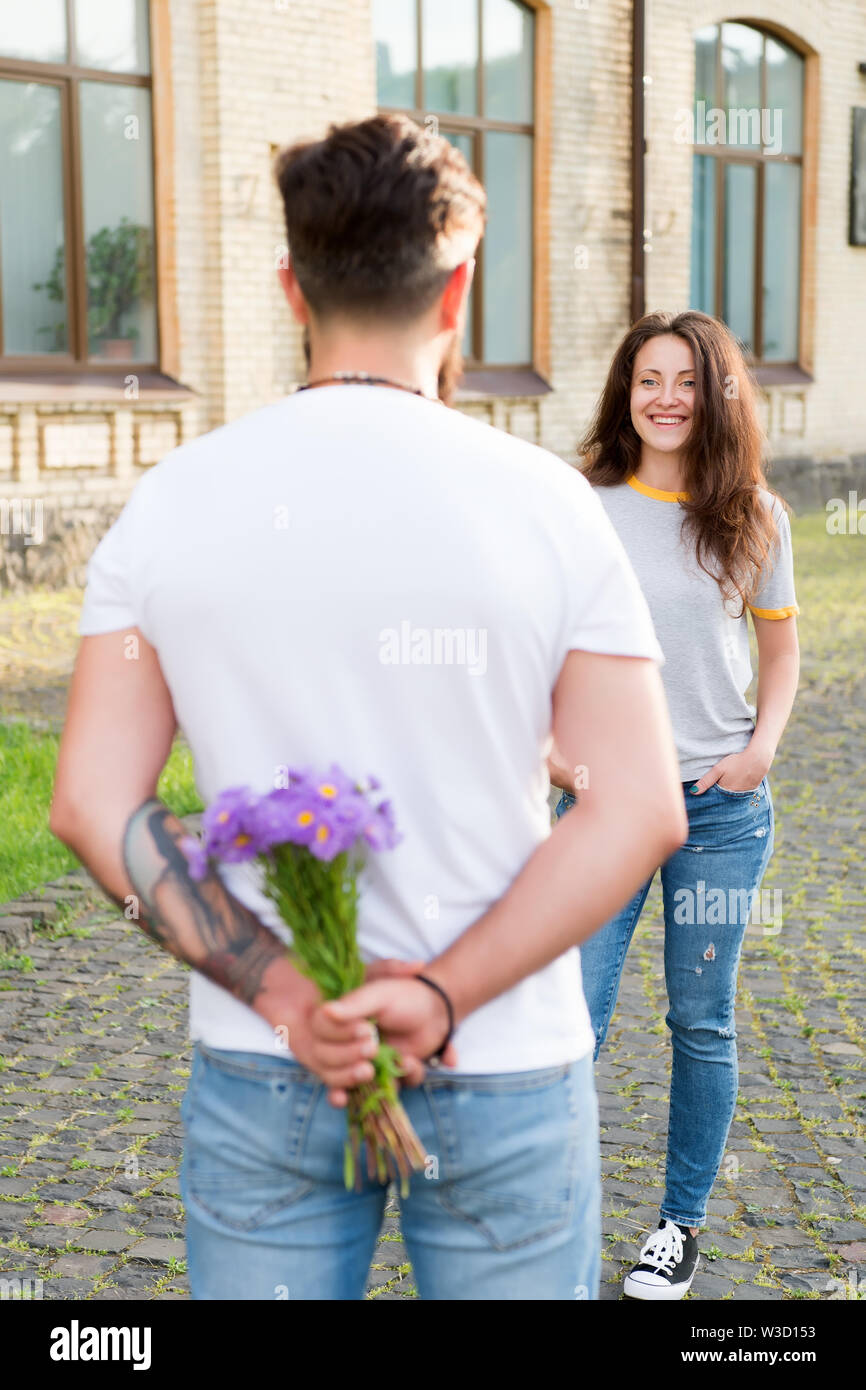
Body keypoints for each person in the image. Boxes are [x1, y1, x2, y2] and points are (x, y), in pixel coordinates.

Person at [51, 115, 686, 1301]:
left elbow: (91, 803)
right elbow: (638, 810)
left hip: (265, 1058)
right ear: (457, 291)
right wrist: (439, 994)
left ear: (292, 284)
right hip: (500, 1053)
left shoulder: (173, 504)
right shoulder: (549, 506)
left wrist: (293, 998)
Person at [549, 310, 800, 1300]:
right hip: (605, 803)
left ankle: (677, 1226)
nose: (664, 397)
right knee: (572, 1017)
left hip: (718, 810)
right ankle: (548, 1211)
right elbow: (538, 650)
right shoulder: (582, 505)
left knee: (700, 1021)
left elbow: (777, 656)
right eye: (646, 378)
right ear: (624, 391)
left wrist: (757, 753)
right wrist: (564, 764)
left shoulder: (754, 515)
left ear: (715, 395)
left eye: (685, 380)